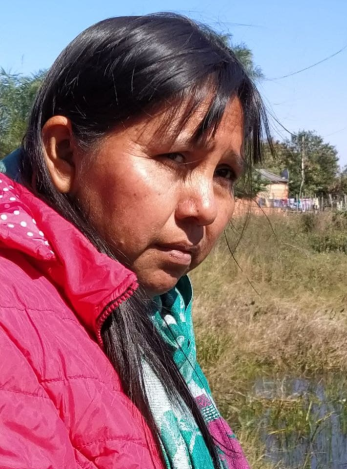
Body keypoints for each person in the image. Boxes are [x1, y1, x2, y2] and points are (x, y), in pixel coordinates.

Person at [0, 13, 270, 469]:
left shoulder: (155, 310)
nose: (205, 207)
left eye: (225, 173)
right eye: (175, 157)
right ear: (65, 153)